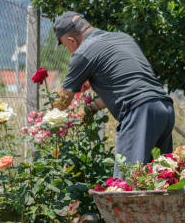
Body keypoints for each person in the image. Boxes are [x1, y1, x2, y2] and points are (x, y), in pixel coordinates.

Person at [52, 11, 175, 176]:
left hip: (140, 113)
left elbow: (62, 101)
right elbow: (128, 84)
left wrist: (48, 119)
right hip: (164, 108)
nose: (68, 51)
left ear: (71, 41)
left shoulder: (83, 53)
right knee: (162, 179)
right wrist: (93, 107)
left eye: (65, 46)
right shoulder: (123, 38)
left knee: (126, 185)